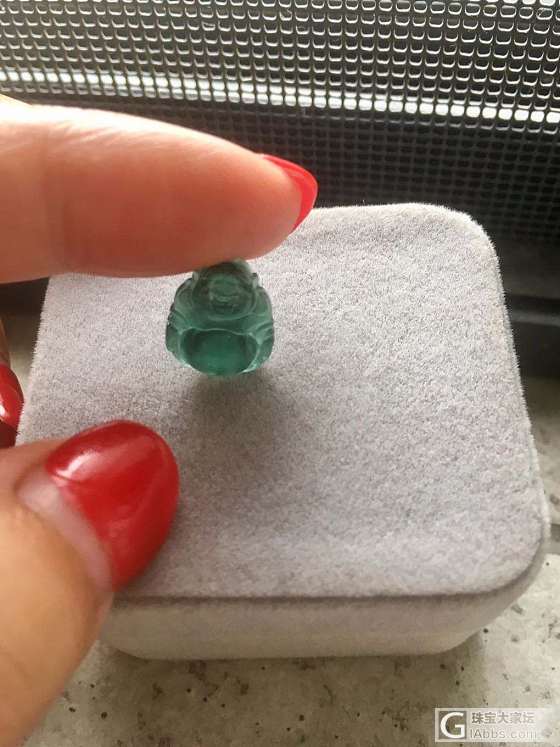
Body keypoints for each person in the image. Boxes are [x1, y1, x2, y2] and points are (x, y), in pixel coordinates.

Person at [0, 100, 317, 745]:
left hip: (232, 352)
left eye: (233, 290)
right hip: (215, 350)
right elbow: (180, 330)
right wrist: (193, 340)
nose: (224, 293)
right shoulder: (194, 298)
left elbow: (258, 333)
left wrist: (246, 342)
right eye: (216, 290)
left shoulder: (247, 300)